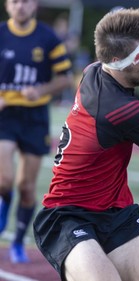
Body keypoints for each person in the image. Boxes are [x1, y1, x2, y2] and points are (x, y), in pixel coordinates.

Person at [33, 8, 139, 281]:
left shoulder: (95, 70)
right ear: (118, 61)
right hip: (68, 214)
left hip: (117, 212)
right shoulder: (121, 110)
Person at [0, 0, 73, 263]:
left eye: (26, 1)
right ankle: (5, 203)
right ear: (7, 6)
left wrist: (40, 91)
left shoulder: (48, 37)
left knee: (27, 187)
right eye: (15, 1)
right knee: (4, 180)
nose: (20, 6)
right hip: (5, 116)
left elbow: (66, 77)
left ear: (35, 6)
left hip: (35, 118)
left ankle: (18, 241)